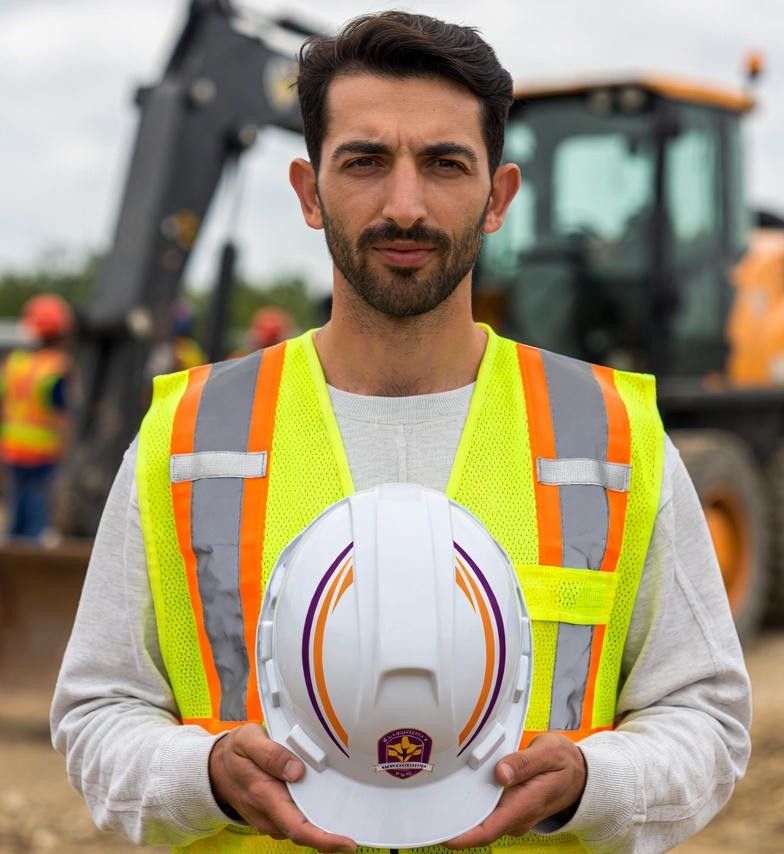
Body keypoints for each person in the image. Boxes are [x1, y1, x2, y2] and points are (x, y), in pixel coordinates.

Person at [51, 11, 751, 854]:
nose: (405, 205)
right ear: (310, 193)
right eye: (366, 161)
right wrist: (201, 775)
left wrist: (594, 786)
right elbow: (97, 711)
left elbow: (706, 717)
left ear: (498, 197)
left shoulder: (610, 439)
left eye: (445, 163)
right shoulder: (190, 437)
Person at [1, 293, 74, 540]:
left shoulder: (15, 363)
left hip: (13, 449)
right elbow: (62, 414)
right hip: (42, 453)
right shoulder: (56, 368)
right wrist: (67, 449)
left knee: (16, 515)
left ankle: (11, 565)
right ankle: (29, 569)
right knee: (36, 518)